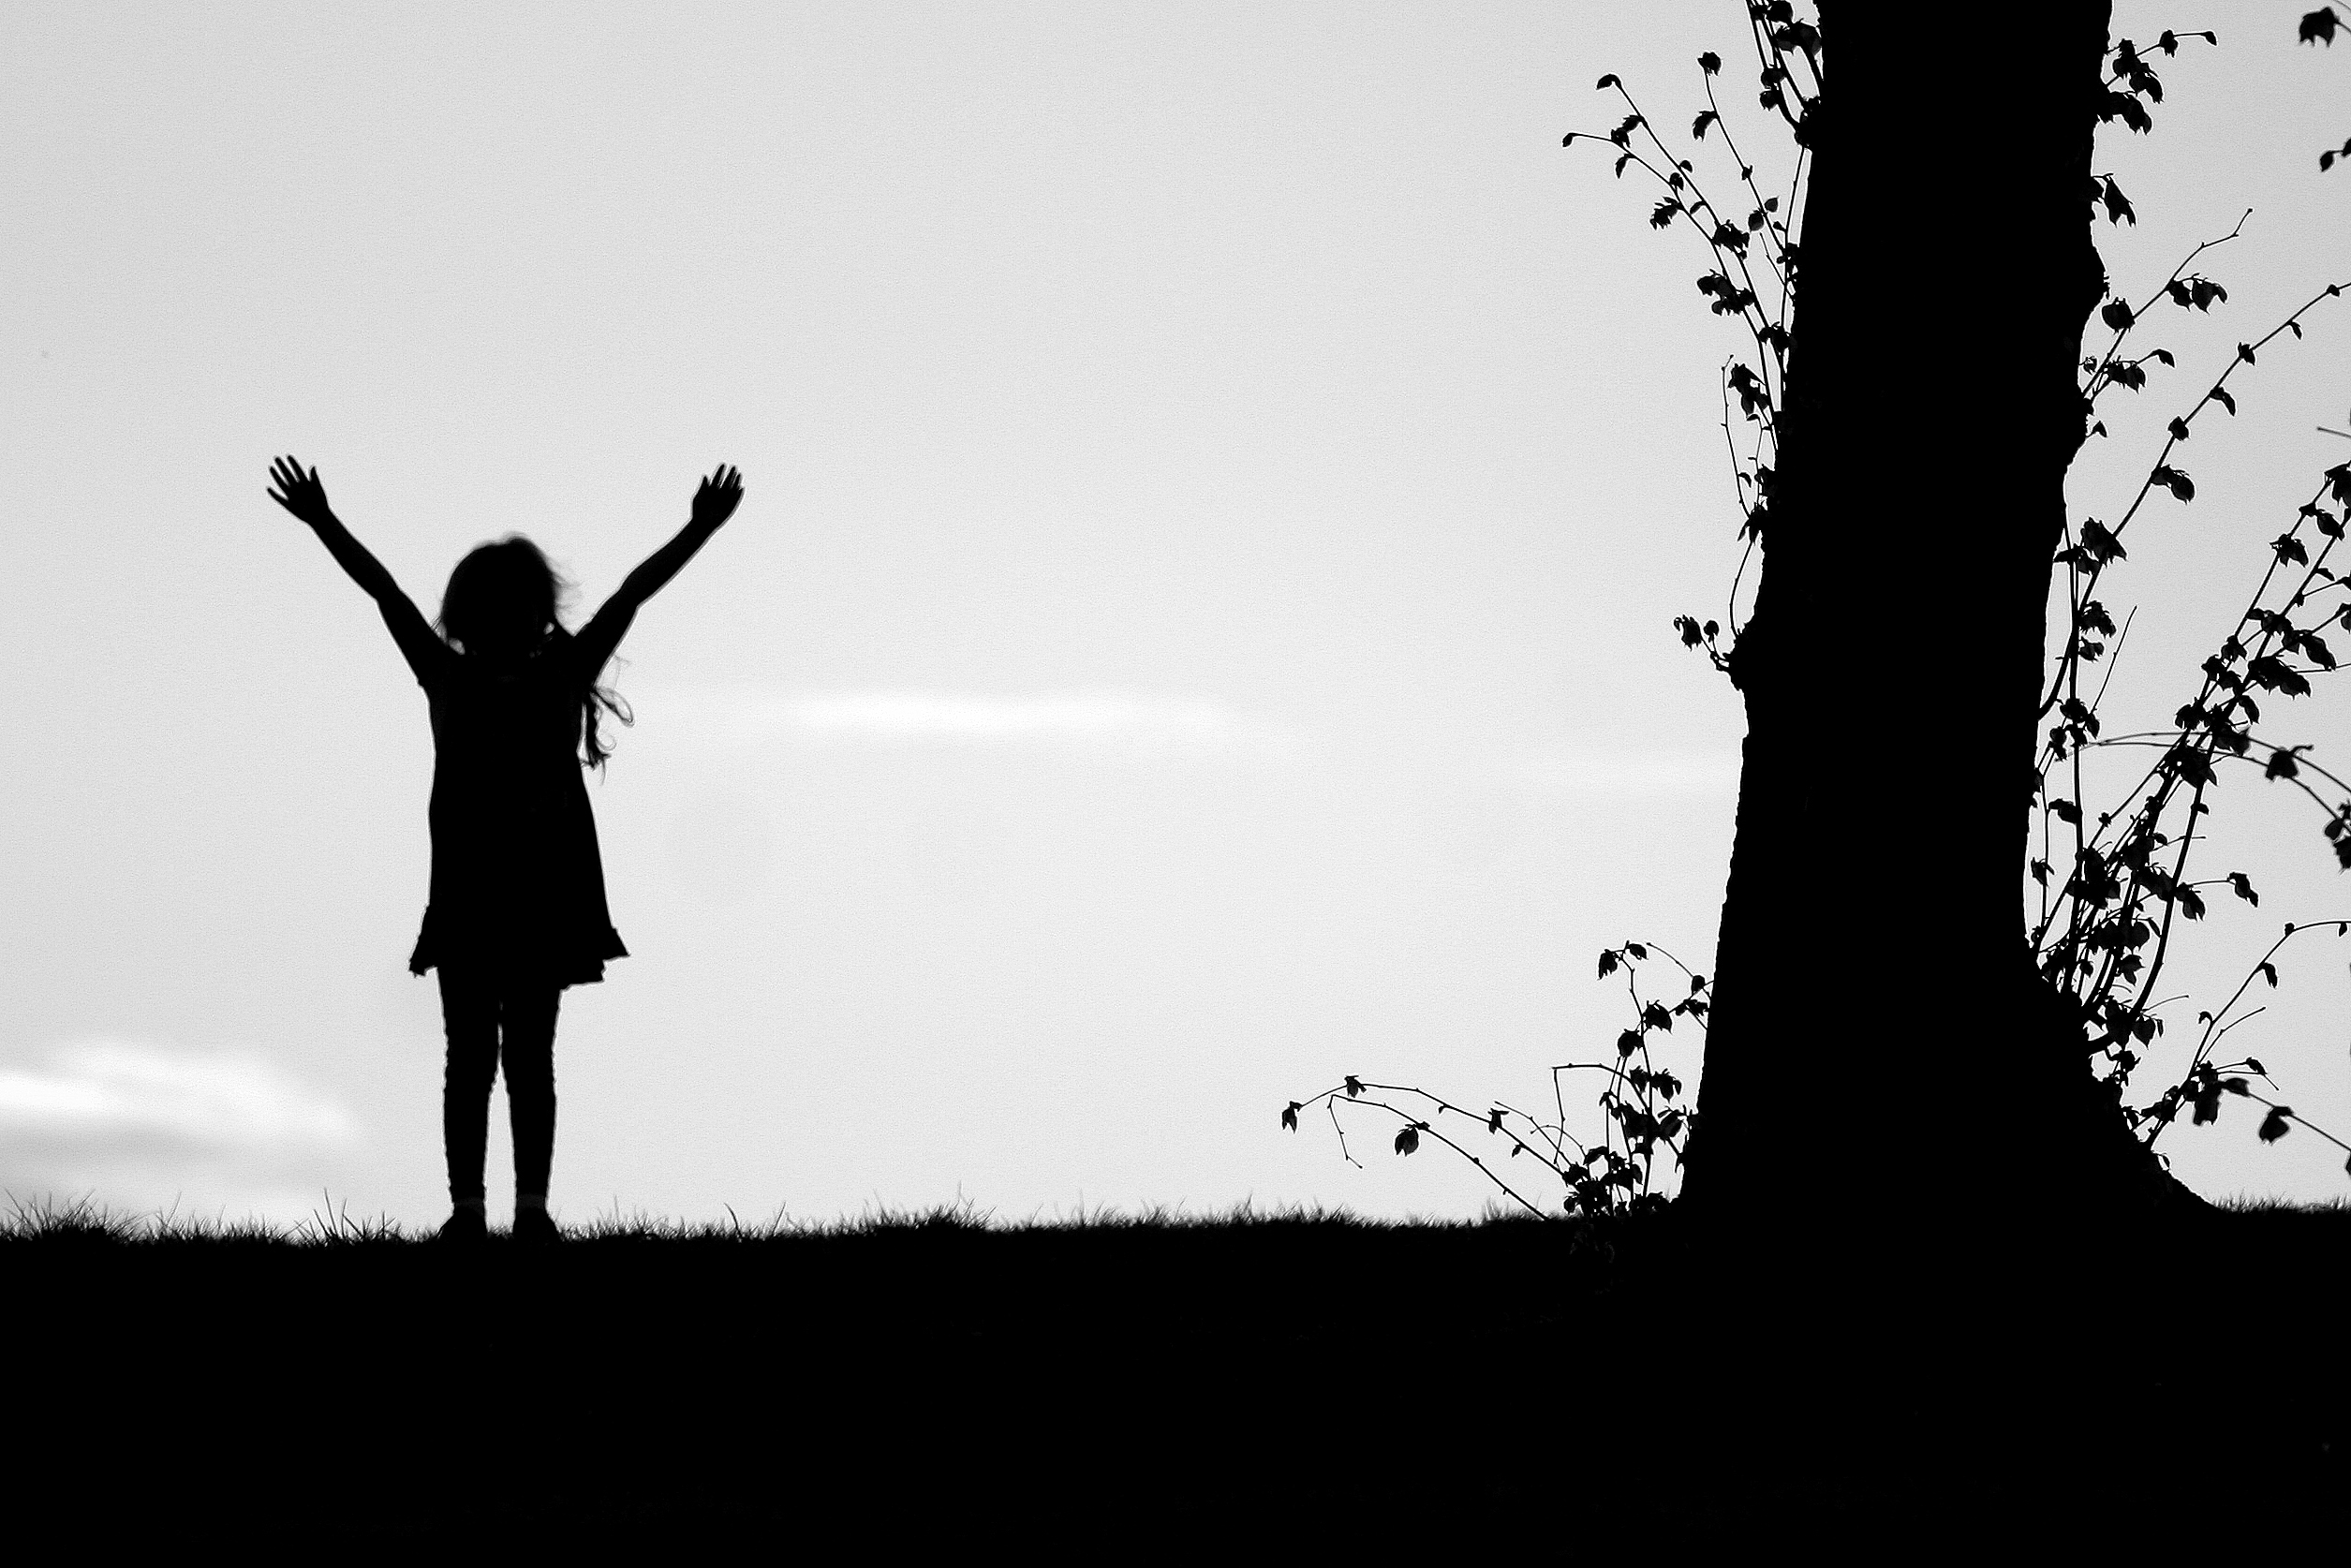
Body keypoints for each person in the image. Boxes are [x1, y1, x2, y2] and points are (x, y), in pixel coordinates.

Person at [266, 456, 745, 1243]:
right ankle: (468, 1211)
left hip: (542, 901)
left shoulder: (562, 673)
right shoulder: (445, 677)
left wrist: (697, 531)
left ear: (537, 615)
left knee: (527, 1056)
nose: (503, 615)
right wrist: (323, 524)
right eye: (487, 605)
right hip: (468, 902)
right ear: (464, 617)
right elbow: (384, 592)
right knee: (469, 1056)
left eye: (516, 603)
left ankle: (528, 1211)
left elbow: (632, 594)